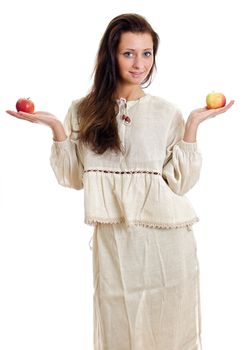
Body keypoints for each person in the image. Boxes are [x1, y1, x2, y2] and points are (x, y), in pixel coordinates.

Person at [6, 13, 234, 350]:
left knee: (169, 329)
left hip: (168, 242)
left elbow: (180, 184)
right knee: (118, 326)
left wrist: (193, 126)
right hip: (115, 245)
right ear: (111, 54)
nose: (139, 63)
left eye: (147, 53)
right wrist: (56, 128)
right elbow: (72, 177)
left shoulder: (167, 112)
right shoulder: (83, 110)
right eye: (129, 53)